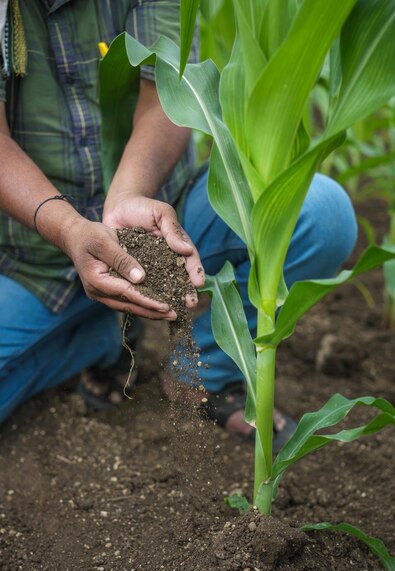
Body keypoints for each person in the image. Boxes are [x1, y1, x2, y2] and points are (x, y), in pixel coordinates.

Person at [0, 0, 358, 448]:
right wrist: (69, 228)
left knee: (320, 215)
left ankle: (204, 372)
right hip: (33, 259)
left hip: (160, 219)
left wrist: (128, 195)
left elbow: (165, 93)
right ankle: (91, 340)